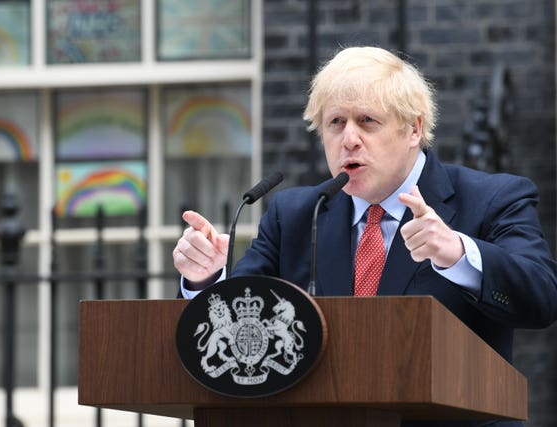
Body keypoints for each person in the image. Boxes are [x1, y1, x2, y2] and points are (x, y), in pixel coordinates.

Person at [172, 46, 557, 426]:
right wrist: (204, 278)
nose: (349, 139)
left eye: (367, 121)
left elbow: (541, 298)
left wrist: (456, 253)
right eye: (335, 122)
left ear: (414, 129)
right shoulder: (294, 216)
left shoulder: (491, 199)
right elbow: (239, 326)